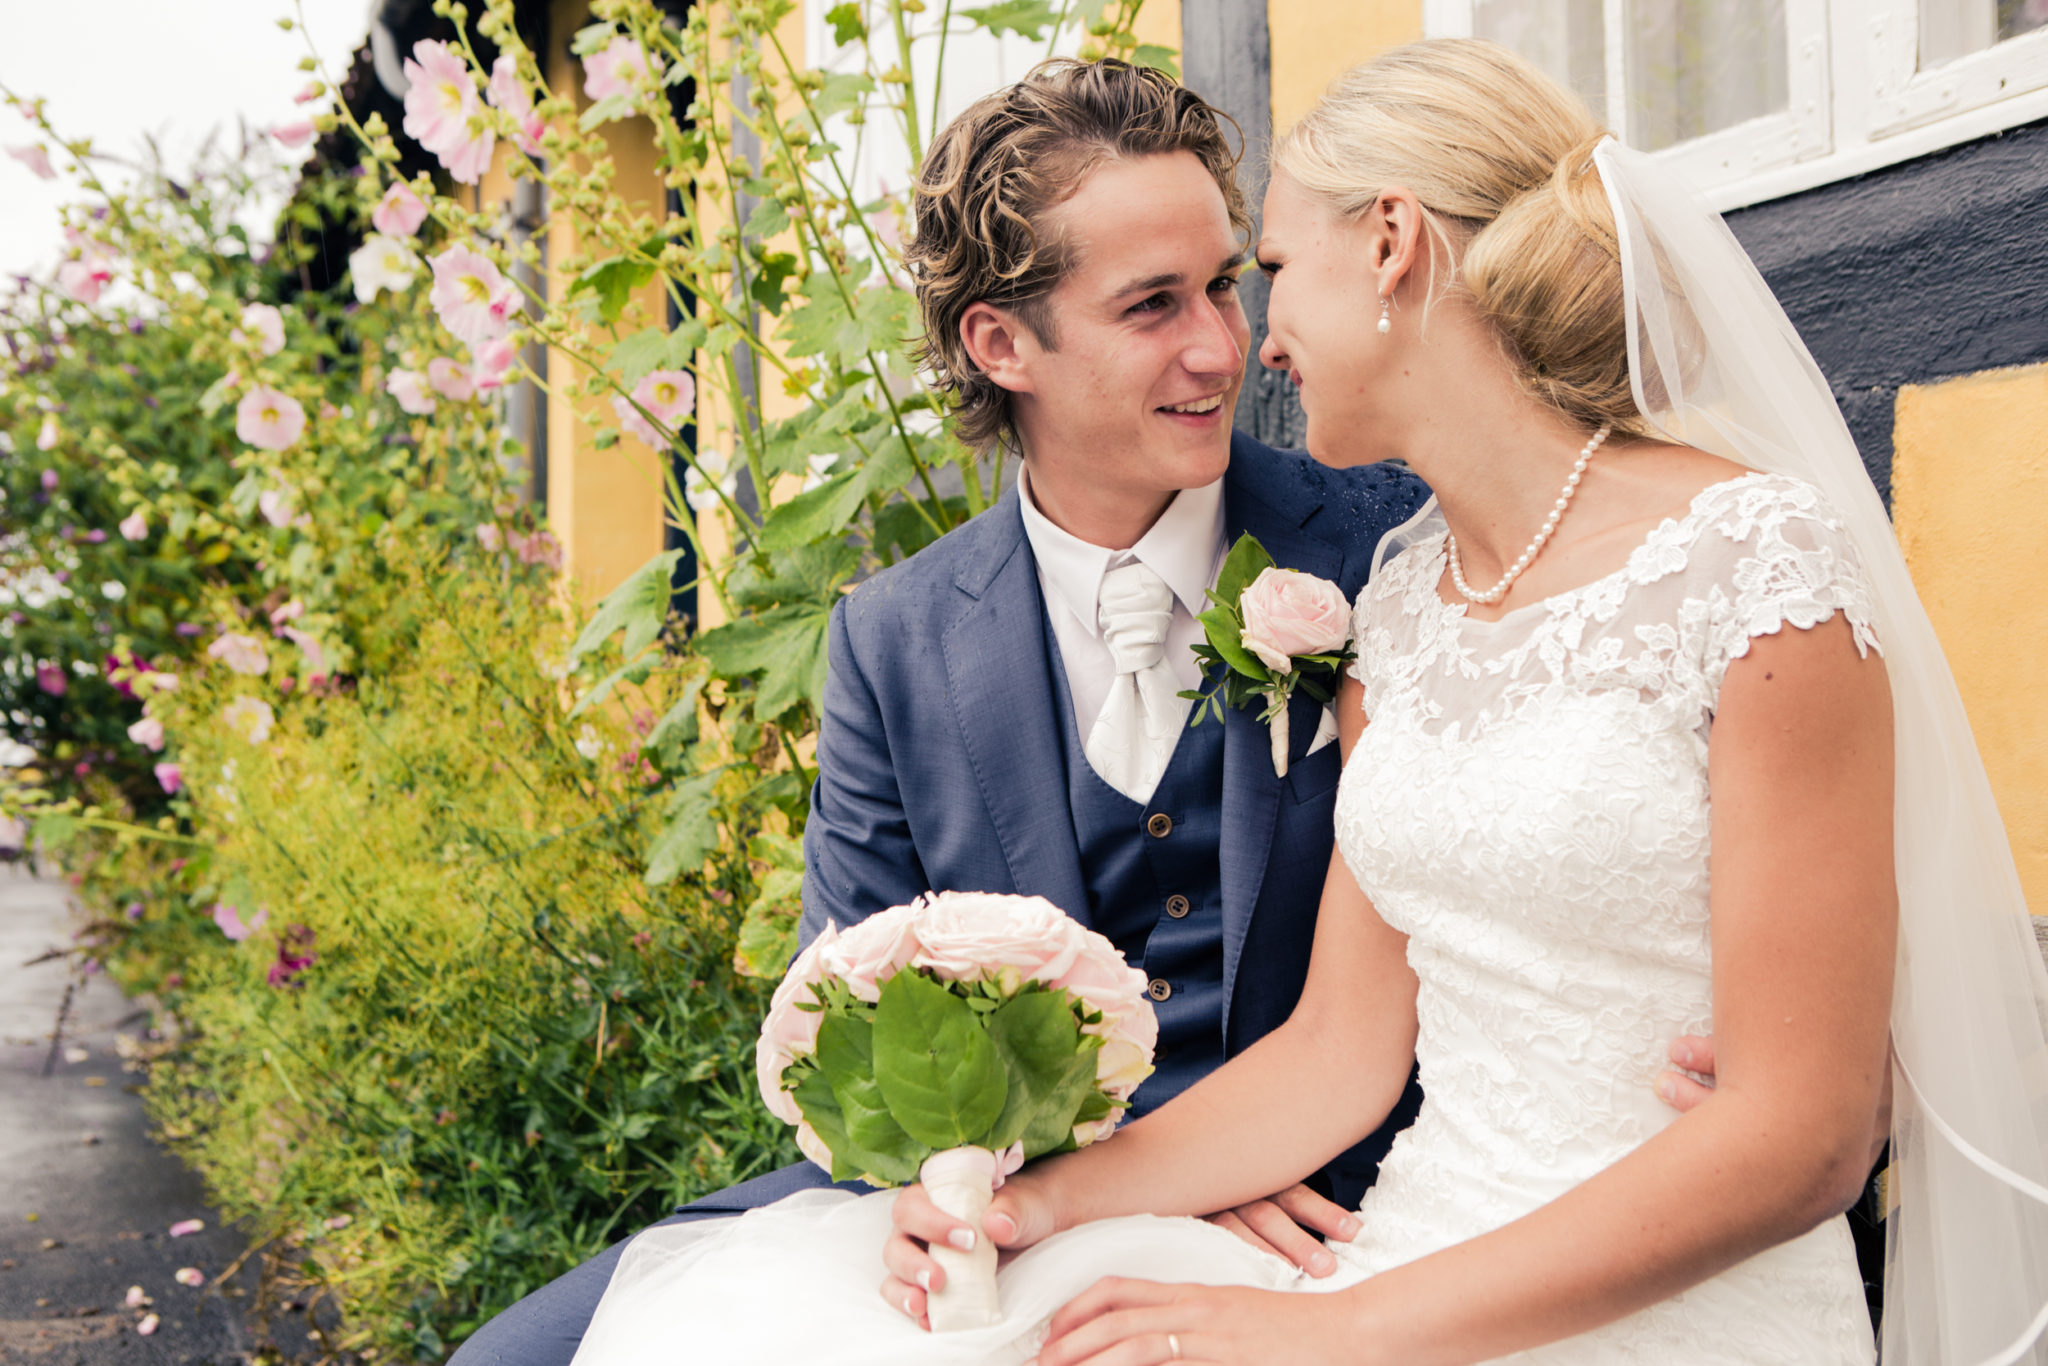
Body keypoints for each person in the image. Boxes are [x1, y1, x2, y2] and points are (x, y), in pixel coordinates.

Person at [565, 38, 2048, 1366]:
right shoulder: (1407, 591)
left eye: (1257, 275)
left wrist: (1323, 1338)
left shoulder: (1748, 560)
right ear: (999, 347)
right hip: (1391, 1244)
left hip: (1615, 1296)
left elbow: (1800, 1122)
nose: (1246, 343)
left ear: (1393, 242)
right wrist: (1019, 1211)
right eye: (1168, 300)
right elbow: (1346, 1044)